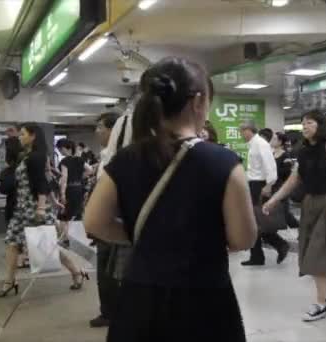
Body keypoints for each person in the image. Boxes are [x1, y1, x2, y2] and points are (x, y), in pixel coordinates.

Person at [84, 56, 257, 341]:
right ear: (198, 101)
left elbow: (94, 222)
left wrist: (145, 236)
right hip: (205, 298)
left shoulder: (126, 160)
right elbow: (242, 239)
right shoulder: (223, 162)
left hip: (140, 299)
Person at [263, 110, 326, 322]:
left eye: (309, 122)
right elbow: (295, 179)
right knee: (315, 249)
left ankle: (320, 303)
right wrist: (274, 199)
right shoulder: (303, 151)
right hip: (310, 204)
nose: (305, 126)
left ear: (320, 126)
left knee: (318, 252)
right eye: (303, 123)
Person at [0, 123, 88, 298]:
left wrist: (41, 207)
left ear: (33, 136)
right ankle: (9, 281)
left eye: (23, 134)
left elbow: (41, 183)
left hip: (33, 207)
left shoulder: (36, 157)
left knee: (47, 246)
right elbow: (44, 179)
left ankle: (76, 271)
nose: (20, 137)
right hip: (21, 207)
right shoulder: (26, 156)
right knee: (11, 243)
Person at [239, 121, 289, 266]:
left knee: (259, 221)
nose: (241, 135)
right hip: (254, 184)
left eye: (242, 131)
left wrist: (269, 185)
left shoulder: (261, 144)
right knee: (255, 221)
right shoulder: (253, 144)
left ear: (248, 130)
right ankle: (257, 256)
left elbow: (270, 165)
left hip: (260, 186)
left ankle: (279, 245)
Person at [89, 112, 120, 328]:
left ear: (113, 129)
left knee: (111, 272)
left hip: (116, 223)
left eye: (100, 127)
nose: (97, 131)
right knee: (104, 271)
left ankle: (113, 312)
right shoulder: (105, 155)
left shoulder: (121, 156)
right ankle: (108, 311)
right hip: (103, 224)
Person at [56, 139, 92, 240]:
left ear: (63, 148)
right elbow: (90, 170)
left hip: (69, 190)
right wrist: (79, 177)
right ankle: (77, 238)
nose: (59, 151)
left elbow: (64, 178)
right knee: (77, 214)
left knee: (63, 216)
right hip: (79, 189)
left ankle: (66, 239)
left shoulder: (65, 161)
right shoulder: (79, 159)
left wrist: (62, 193)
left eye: (59, 149)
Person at [270, 132, 299, 229]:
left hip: (281, 185)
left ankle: (297, 226)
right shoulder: (272, 154)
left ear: (280, 142)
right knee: (278, 209)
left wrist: (274, 171)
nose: (272, 141)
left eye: (274, 139)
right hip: (273, 185)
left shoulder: (285, 155)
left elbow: (286, 173)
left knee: (284, 209)